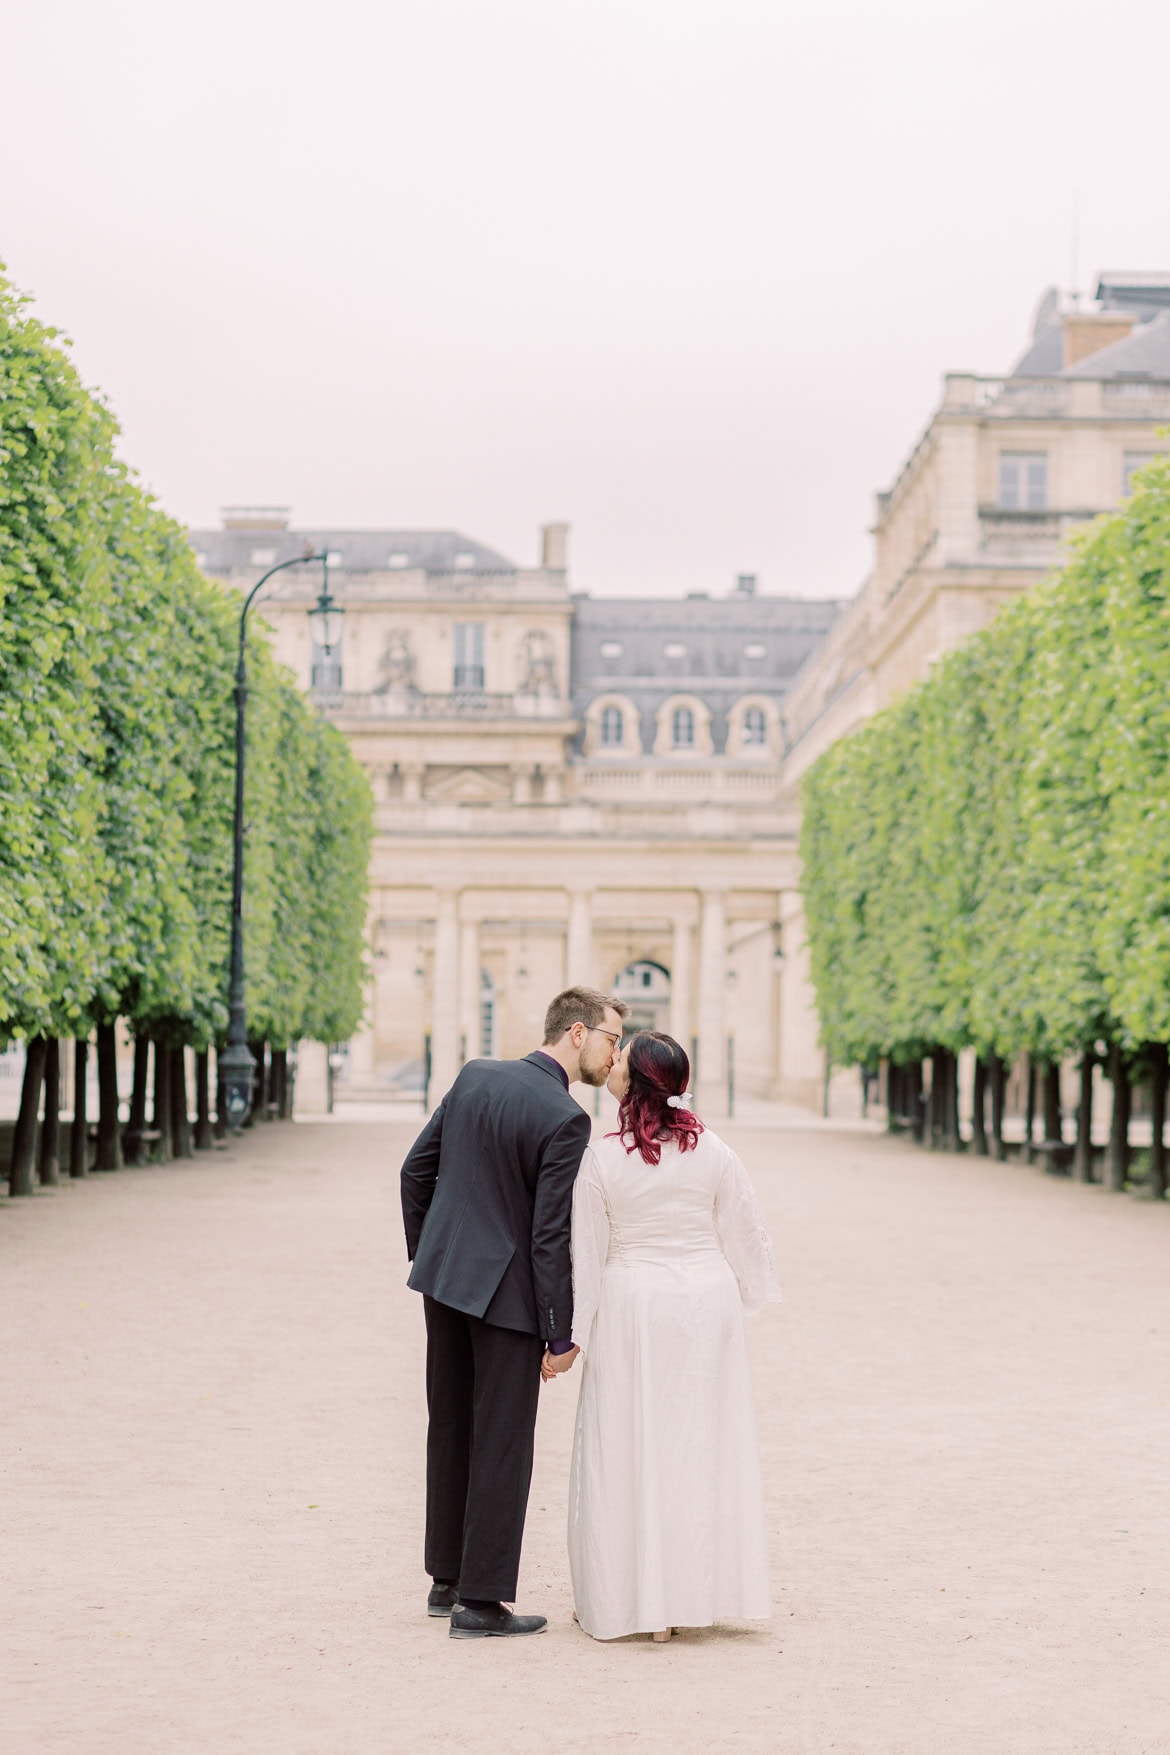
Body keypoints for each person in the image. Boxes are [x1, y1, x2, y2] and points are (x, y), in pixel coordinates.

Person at [400, 985, 628, 1640]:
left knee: (450, 1426)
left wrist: (435, 1254)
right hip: (507, 1302)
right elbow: (546, 1237)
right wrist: (561, 1331)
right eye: (612, 1040)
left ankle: (446, 1579)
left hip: (445, 1285)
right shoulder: (565, 1118)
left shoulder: (474, 1076)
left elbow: (416, 1173)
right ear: (578, 1032)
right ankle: (480, 1602)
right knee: (501, 1443)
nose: (615, 1058)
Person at [561, 1030, 780, 1642]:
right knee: (700, 1444)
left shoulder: (602, 1156)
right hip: (707, 1301)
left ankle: (634, 1597)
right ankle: (691, 1593)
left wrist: (572, 1334)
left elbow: (586, 1252)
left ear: (632, 1083)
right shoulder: (715, 1150)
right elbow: (746, 1232)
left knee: (631, 1443)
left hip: (635, 1302)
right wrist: (750, 1293)